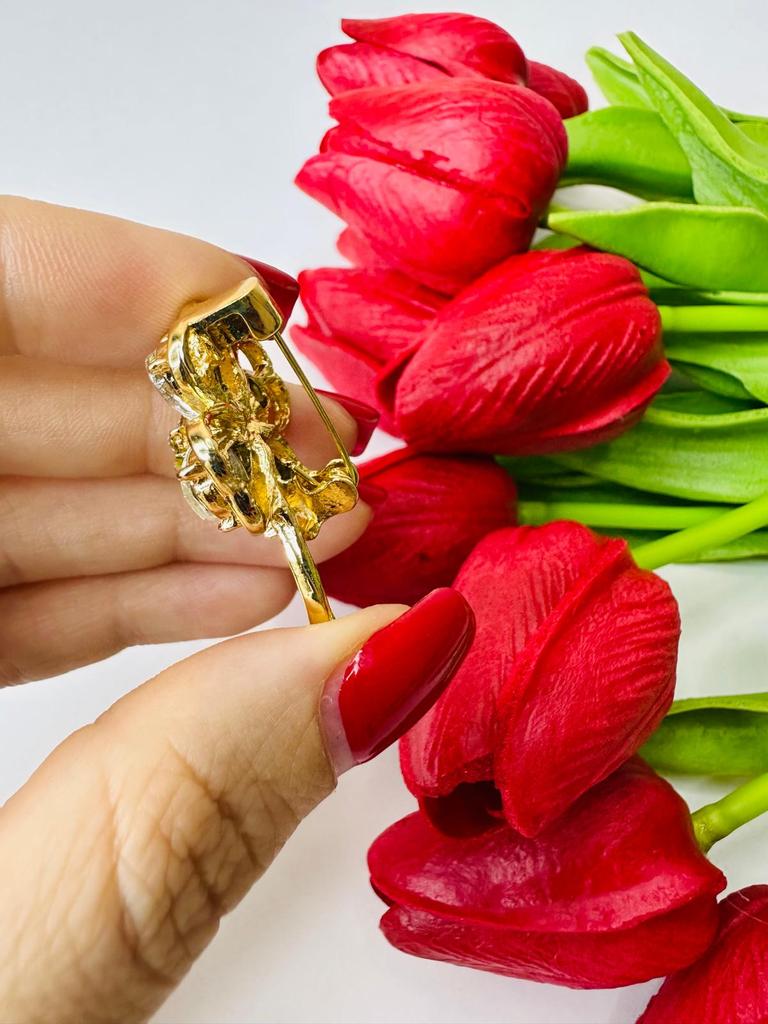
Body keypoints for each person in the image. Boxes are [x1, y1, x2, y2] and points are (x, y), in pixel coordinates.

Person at [0, 197, 474, 1023]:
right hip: (250, 470)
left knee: (310, 518)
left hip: (271, 469)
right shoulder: (208, 419)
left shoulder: (243, 404)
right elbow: (213, 455)